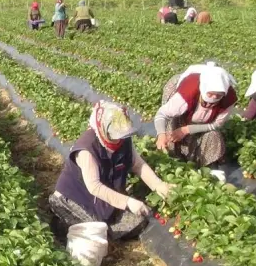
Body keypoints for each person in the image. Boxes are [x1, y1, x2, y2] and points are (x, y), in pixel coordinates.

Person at [50, 101, 172, 241]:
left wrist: (158, 185)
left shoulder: (123, 140)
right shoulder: (87, 148)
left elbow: (137, 164)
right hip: (74, 198)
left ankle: (102, 222)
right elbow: (94, 187)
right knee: (97, 233)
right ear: (103, 129)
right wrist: (128, 202)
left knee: (138, 221)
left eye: (121, 135)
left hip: (101, 200)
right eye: (115, 135)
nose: (118, 140)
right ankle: (62, 220)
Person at [154, 62, 238, 167]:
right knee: (172, 130)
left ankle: (206, 166)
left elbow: (216, 125)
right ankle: (175, 160)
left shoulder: (228, 98)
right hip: (180, 89)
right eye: (210, 94)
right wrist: (161, 135)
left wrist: (187, 129)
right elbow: (161, 114)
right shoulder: (187, 93)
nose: (213, 98)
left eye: (218, 95)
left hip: (201, 118)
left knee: (213, 136)